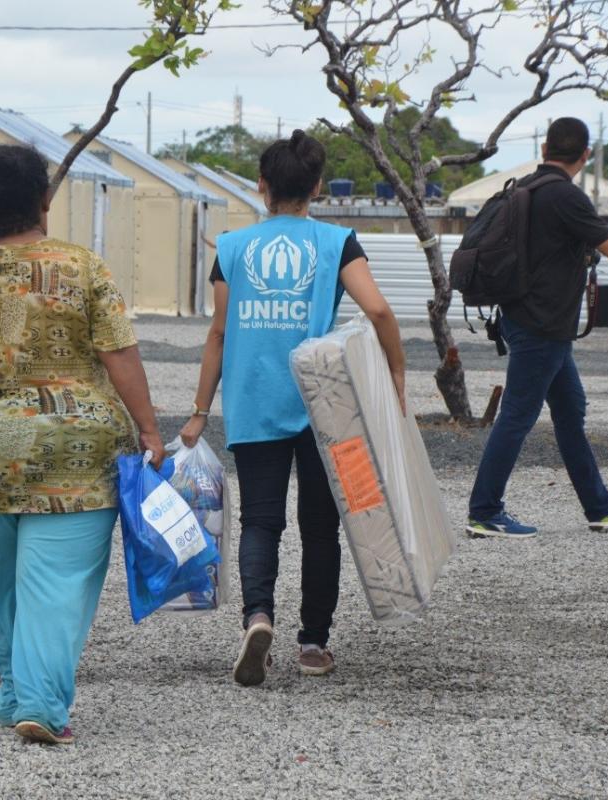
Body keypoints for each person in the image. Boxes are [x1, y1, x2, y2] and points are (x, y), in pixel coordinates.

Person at [0, 145, 164, 745]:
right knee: (56, 581)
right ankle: (41, 704)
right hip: (72, 452)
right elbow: (118, 354)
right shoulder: (83, 267)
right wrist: (149, 429)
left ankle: (16, 691)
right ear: (45, 201)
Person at [179, 130, 406, 687]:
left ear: (262, 187)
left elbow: (217, 335)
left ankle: (257, 617)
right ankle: (313, 643)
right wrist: (398, 375)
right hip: (327, 406)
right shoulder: (338, 241)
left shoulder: (231, 248)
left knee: (260, 521)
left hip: (254, 402)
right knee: (321, 526)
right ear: (318, 187)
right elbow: (377, 311)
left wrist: (200, 410)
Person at [466, 118, 608, 539]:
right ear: (585, 154)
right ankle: (484, 511)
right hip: (542, 325)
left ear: (546, 148)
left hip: (525, 318)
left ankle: (599, 506)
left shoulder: (526, 189)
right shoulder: (564, 196)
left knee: (571, 409)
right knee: (517, 415)